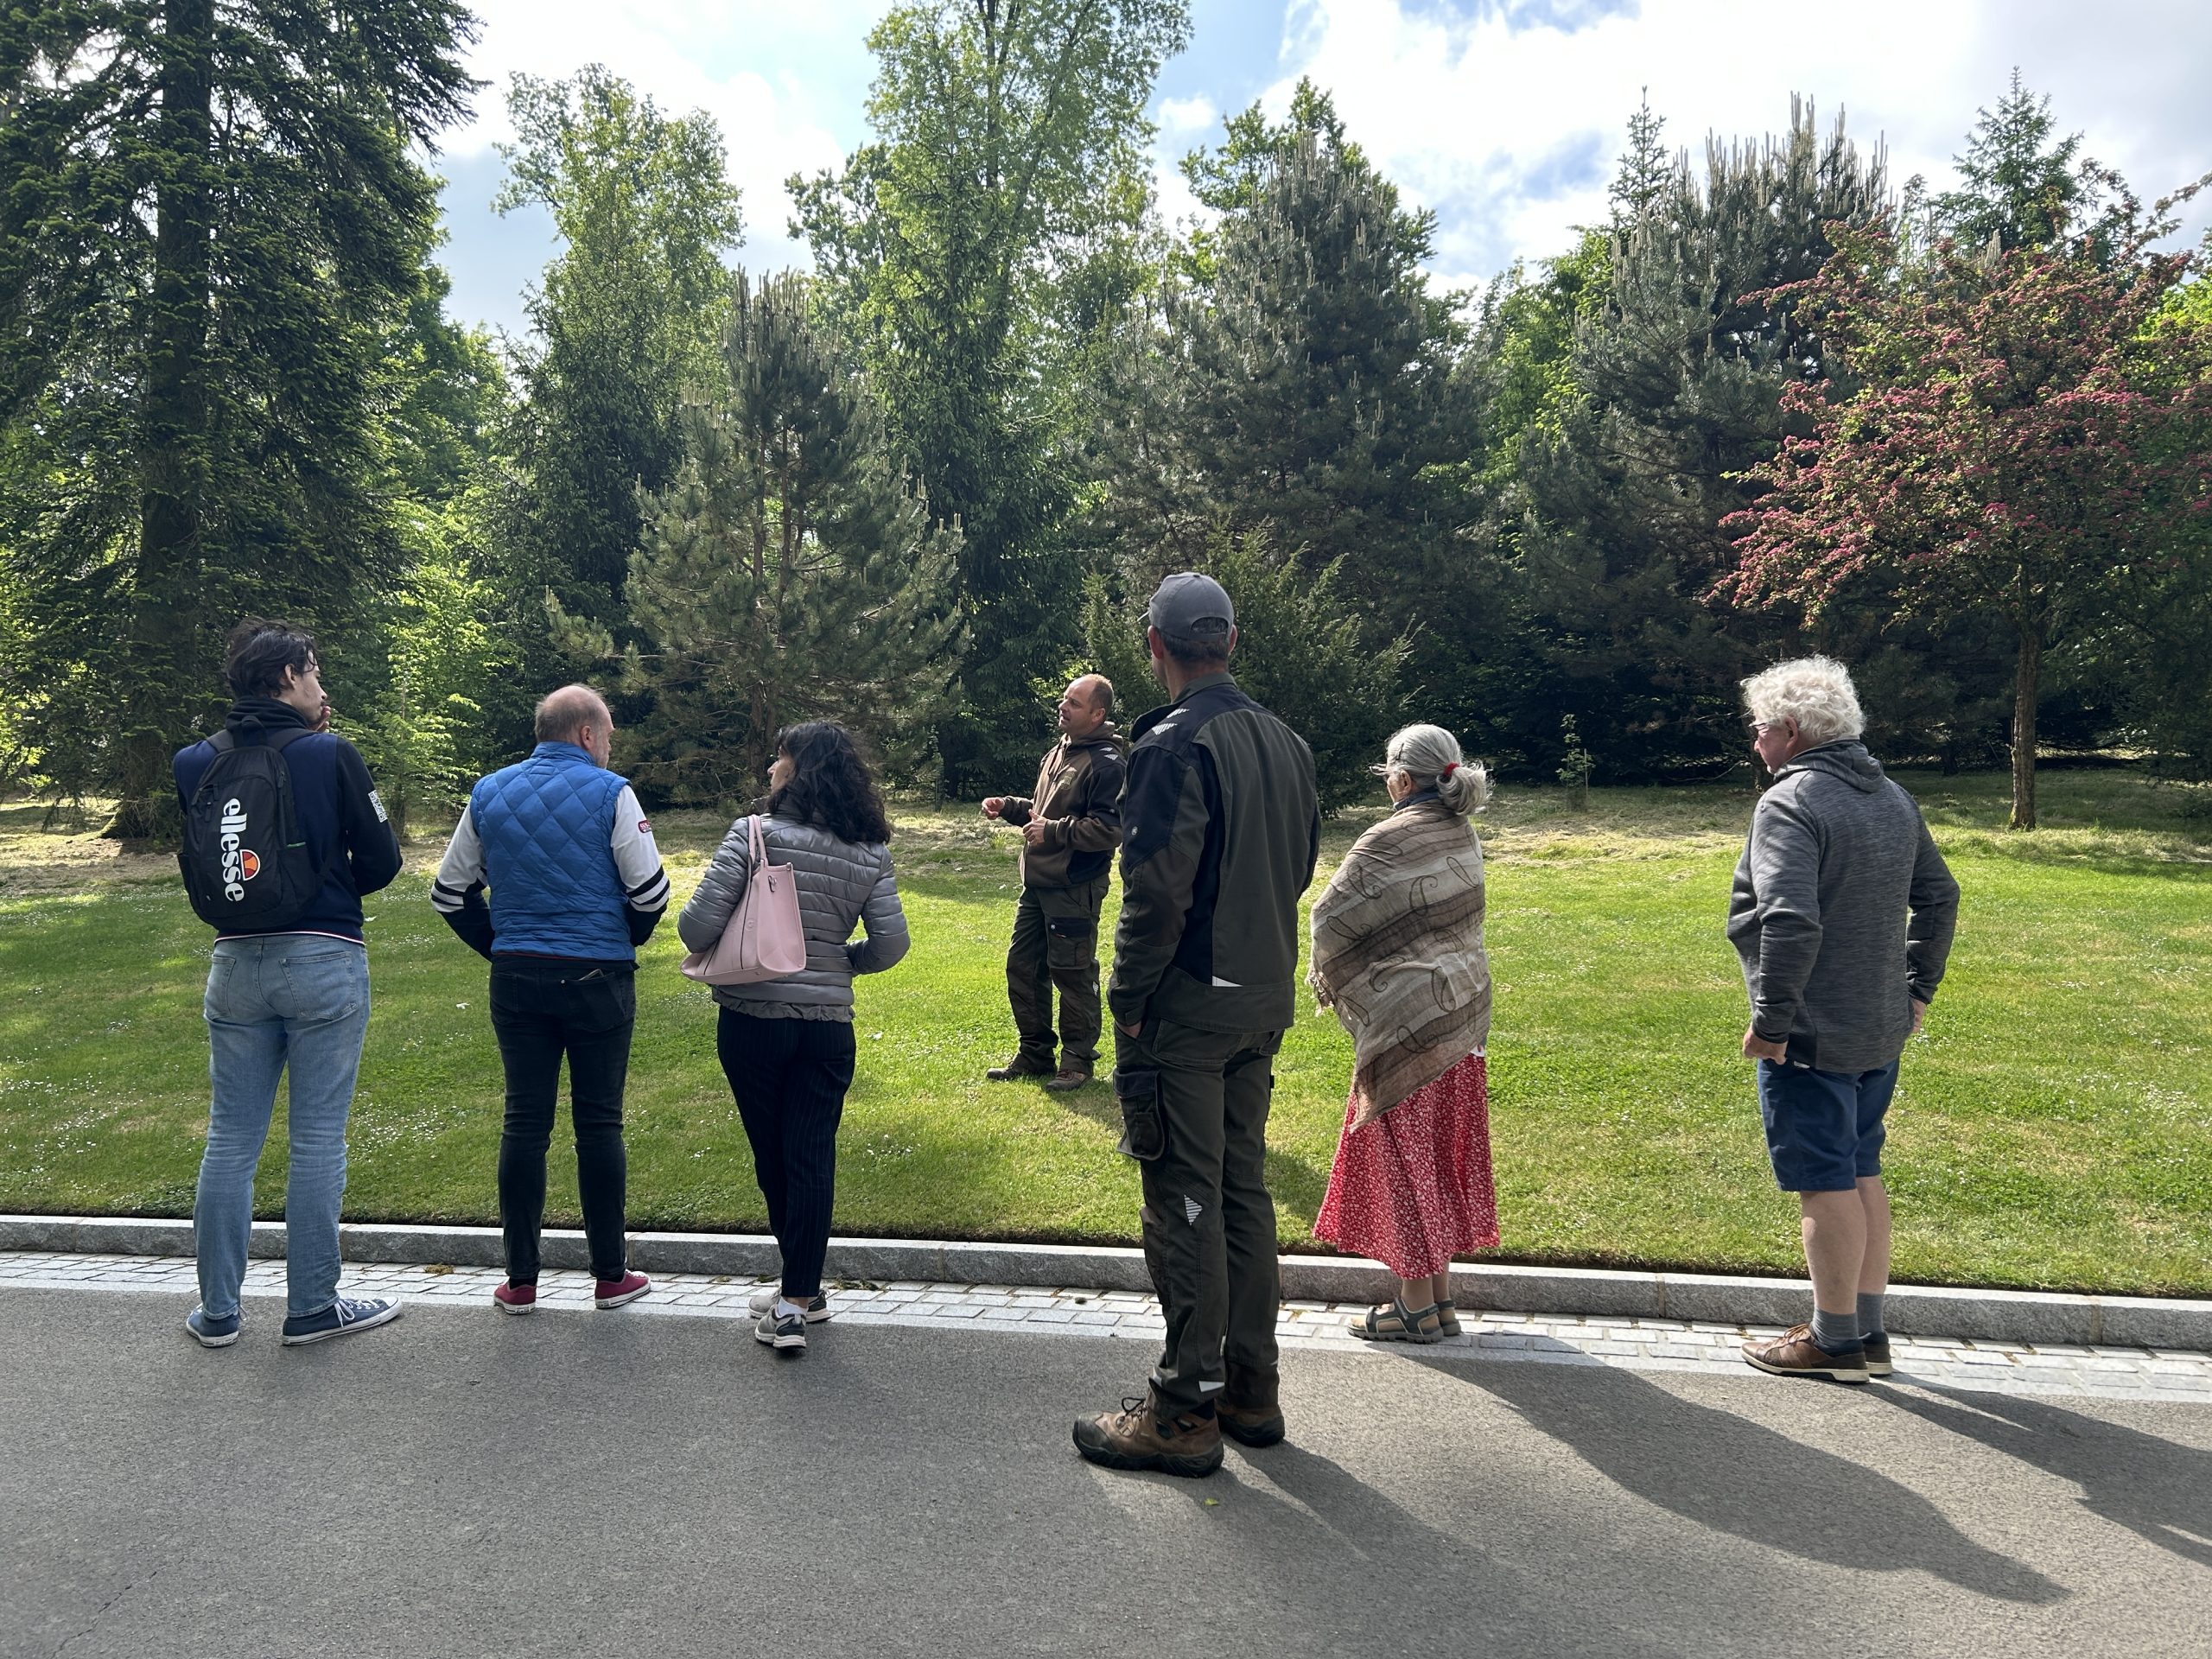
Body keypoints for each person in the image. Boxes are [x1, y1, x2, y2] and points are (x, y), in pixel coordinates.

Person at [1073, 573, 1320, 1479]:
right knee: (1241, 1190)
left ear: (1154, 646)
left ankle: (1182, 1408)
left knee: (1183, 1199)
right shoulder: (1286, 741)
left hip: (1185, 1006)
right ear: (1232, 639)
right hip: (1259, 996)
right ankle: (1252, 1386)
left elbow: (1154, 891)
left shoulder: (1176, 743)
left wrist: (1128, 998)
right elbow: (1296, 866)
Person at [171, 620, 405, 1348]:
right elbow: (384, 859)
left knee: (230, 1138)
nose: (321, 686)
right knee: (316, 1141)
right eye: (313, 672)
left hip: (234, 963)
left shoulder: (193, 762)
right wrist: (331, 882)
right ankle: (311, 1306)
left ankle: (217, 1312)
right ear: (285, 679)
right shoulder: (330, 754)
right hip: (323, 957)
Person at [1728, 656, 1960, 1383]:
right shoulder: (1890, 795)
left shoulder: (1791, 803)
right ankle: (1867, 1332)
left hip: (1811, 1029)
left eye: (1761, 730)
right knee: (1861, 1168)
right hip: (1878, 1023)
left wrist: (1772, 1022)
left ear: (1791, 732)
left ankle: (1833, 1344)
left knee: (1823, 1181)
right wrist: (1916, 990)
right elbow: (1941, 896)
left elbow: (1789, 921)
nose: (1756, 743)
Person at [430, 684, 667, 1316]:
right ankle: (611, 1275)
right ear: (586, 734)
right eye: (609, 733)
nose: (610, 744)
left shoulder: (488, 793)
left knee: (524, 1123)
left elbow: (450, 893)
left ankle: (521, 1280)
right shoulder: (612, 794)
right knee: (599, 1124)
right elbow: (650, 894)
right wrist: (620, 939)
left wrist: (502, 946)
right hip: (599, 981)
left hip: (518, 980)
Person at [678, 721, 909, 1355]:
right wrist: (839, 962)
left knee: (773, 1156)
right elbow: (892, 945)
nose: (771, 771)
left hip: (753, 1019)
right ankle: (801, 1289)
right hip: (828, 1026)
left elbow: (697, 926)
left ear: (797, 769)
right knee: (810, 1155)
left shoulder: (754, 834)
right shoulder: (868, 851)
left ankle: (793, 1307)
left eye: (779, 759)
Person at [1309, 724, 1498, 1344]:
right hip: (1464, 1015)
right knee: (1437, 1156)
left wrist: (1342, 980)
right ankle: (1439, 1298)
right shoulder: (1460, 831)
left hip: (1410, 1025)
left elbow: (1330, 918)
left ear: (1400, 778)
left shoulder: (1386, 839)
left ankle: (1415, 1305)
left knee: (1407, 1161)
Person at [981, 674, 1126, 1090]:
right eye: (1064, 699)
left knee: (1072, 971)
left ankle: (1077, 1060)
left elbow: (1109, 830)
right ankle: (1034, 1053)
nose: (1063, 706)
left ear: (1098, 714)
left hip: (1074, 885)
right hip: (1038, 883)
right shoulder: (1059, 752)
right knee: (1023, 967)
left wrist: (1056, 832)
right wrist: (1009, 807)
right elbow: (1042, 813)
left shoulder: (1106, 763)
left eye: (1074, 703)